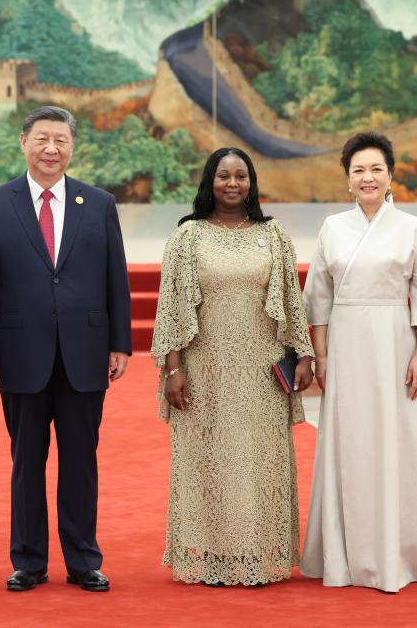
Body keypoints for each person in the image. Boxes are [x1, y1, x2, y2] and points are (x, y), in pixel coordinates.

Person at [0, 106, 132, 593]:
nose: (51, 149)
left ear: (72, 147)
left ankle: (84, 560)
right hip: (21, 352)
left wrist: (120, 343)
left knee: (81, 460)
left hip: (85, 352)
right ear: (23, 142)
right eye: (42, 139)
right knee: (27, 461)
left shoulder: (99, 203)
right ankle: (29, 560)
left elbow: (116, 278)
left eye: (60, 140)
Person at [151, 147, 315, 587]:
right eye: (223, 175)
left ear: (251, 182)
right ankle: (211, 554)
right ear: (210, 180)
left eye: (240, 176)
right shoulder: (188, 236)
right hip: (205, 367)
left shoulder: (274, 234)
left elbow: (292, 300)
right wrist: (172, 370)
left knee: (260, 461)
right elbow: (170, 308)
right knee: (208, 461)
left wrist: (304, 354)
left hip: (262, 370)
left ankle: (257, 554)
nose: (232, 183)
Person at [300, 131, 417, 593]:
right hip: (345, 344)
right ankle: (344, 555)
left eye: (376, 169)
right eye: (358, 170)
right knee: (348, 441)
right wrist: (321, 356)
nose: (367, 178)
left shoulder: (412, 227)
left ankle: (399, 556)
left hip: (394, 344)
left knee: (395, 441)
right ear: (347, 179)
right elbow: (318, 297)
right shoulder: (332, 227)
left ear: (390, 176)